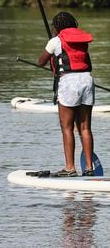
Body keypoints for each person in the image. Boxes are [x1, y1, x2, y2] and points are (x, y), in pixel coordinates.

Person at [37, 12, 95, 177]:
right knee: (85, 127)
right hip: (87, 80)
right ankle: (89, 167)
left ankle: (70, 168)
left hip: (69, 83)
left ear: (56, 27)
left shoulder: (55, 41)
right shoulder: (82, 40)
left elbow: (40, 62)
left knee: (67, 127)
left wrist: (52, 58)